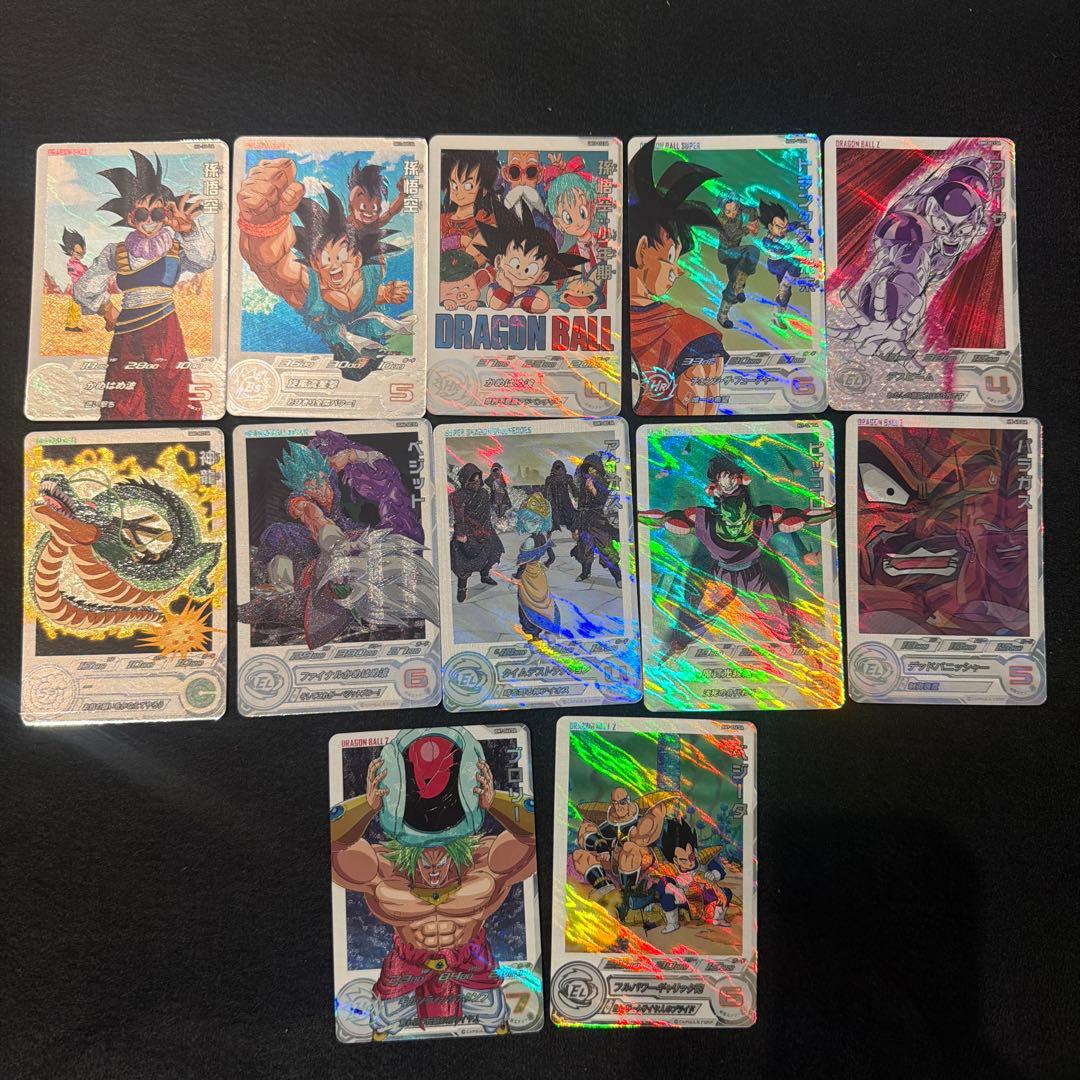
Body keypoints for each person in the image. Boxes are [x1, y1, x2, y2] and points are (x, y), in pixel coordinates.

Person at [330, 742, 536, 1040]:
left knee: (495, 1018)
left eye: (441, 860)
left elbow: (533, 837)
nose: (434, 869)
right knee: (383, 1025)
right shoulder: (386, 869)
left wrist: (495, 803)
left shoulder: (483, 863)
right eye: (426, 861)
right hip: (407, 964)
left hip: (470, 962)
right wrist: (367, 806)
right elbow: (334, 846)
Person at [639, 453, 833, 659]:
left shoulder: (763, 518)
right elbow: (664, 520)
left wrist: (832, 512)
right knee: (691, 623)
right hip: (721, 576)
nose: (735, 527)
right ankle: (676, 645)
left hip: (754, 577)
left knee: (781, 621)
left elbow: (802, 518)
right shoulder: (704, 518)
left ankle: (800, 646)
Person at [236, 160, 412, 383]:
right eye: (366, 347)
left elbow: (272, 269)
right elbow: (276, 269)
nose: (335, 266)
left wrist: (263, 223)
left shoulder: (312, 298)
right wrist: (386, 293)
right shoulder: (373, 272)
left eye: (355, 350)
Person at [74, 150, 215, 419]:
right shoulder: (115, 251)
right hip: (127, 333)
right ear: (131, 218)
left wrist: (188, 231)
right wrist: (106, 309)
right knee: (124, 400)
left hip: (165, 330)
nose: (149, 220)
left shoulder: (176, 247)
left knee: (173, 396)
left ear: (166, 214)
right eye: (141, 214)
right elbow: (85, 287)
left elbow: (206, 259)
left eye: (157, 213)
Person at [627, 138, 728, 416]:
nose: (678, 270)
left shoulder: (695, 341)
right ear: (642, 249)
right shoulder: (693, 337)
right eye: (671, 256)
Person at [473, 204, 587, 314]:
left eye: (529, 269)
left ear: (542, 278)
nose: (519, 272)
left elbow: (544, 304)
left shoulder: (533, 292)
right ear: (498, 261)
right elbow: (495, 306)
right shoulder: (495, 287)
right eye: (515, 264)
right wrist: (507, 288)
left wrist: (522, 302)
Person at [449, 463, 504, 603]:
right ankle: (462, 588)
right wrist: (461, 533)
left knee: (494, 552)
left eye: (478, 478)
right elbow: (459, 516)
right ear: (465, 480)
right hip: (468, 533)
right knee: (465, 562)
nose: (476, 482)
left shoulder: (483, 493)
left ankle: (485, 575)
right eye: (472, 479)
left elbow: (491, 507)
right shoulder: (459, 496)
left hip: (485, 530)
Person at [512, 492, 560, 638]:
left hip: (528, 577)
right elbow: (552, 557)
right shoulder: (545, 536)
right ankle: (549, 628)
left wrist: (516, 579)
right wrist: (546, 564)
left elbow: (523, 565)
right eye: (526, 521)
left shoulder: (529, 542)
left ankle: (534, 634)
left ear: (541, 522)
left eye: (534, 522)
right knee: (544, 601)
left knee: (527, 603)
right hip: (539, 575)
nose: (528, 525)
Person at [571, 454, 621, 585]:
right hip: (585, 523)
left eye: (593, 468)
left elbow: (606, 500)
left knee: (607, 550)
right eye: (588, 468)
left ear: (598, 469)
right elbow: (580, 507)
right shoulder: (583, 485)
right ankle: (585, 573)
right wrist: (576, 528)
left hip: (599, 523)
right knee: (584, 549)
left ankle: (618, 577)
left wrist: (593, 489)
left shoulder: (603, 483)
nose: (590, 471)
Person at [714, 197, 761, 328]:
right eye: (728, 211)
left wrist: (754, 222)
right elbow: (732, 236)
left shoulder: (739, 209)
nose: (733, 213)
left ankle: (722, 315)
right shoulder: (721, 220)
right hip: (726, 253)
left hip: (736, 253)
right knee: (752, 251)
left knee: (735, 279)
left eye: (734, 209)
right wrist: (748, 229)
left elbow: (752, 210)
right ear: (723, 211)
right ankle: (738, 287)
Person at [59, 227, 87, 332]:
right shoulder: (72, 263)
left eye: (83, 253)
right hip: (77, 287)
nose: (81, 255)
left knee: (75, 306)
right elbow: (75, 273)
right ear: (71, 251)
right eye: (79, 253)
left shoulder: (76, 263)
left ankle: (71, 324)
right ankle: (71, 325)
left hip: (77, 287)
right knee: (75, 306)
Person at [542, 460, 577, 533]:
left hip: (565, 503)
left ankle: (574, 534)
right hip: (555, 503)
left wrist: (576, 495)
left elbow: (574, 489)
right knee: (552, 522)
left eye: (560, 468)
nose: (558, 470)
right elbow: (546, 492)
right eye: (557, 468)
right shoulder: (550, 479)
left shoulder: (567, 477)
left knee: (571, 520)